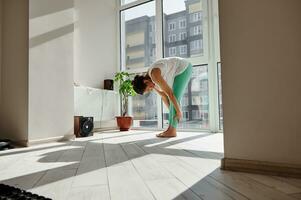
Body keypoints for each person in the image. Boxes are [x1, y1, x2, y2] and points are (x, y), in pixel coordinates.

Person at [132, 57, 192, 137]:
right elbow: (163, 96)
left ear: (145, 81)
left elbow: (170, 94)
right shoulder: (151, 80)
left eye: (148, 89)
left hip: (184, 67)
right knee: (173, 101)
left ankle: (172, 131)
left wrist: (178, 111)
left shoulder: (155, 75)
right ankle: (169, 130)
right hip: (179, 70)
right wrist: (172, 111)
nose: (151, 90)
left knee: (175, 97)